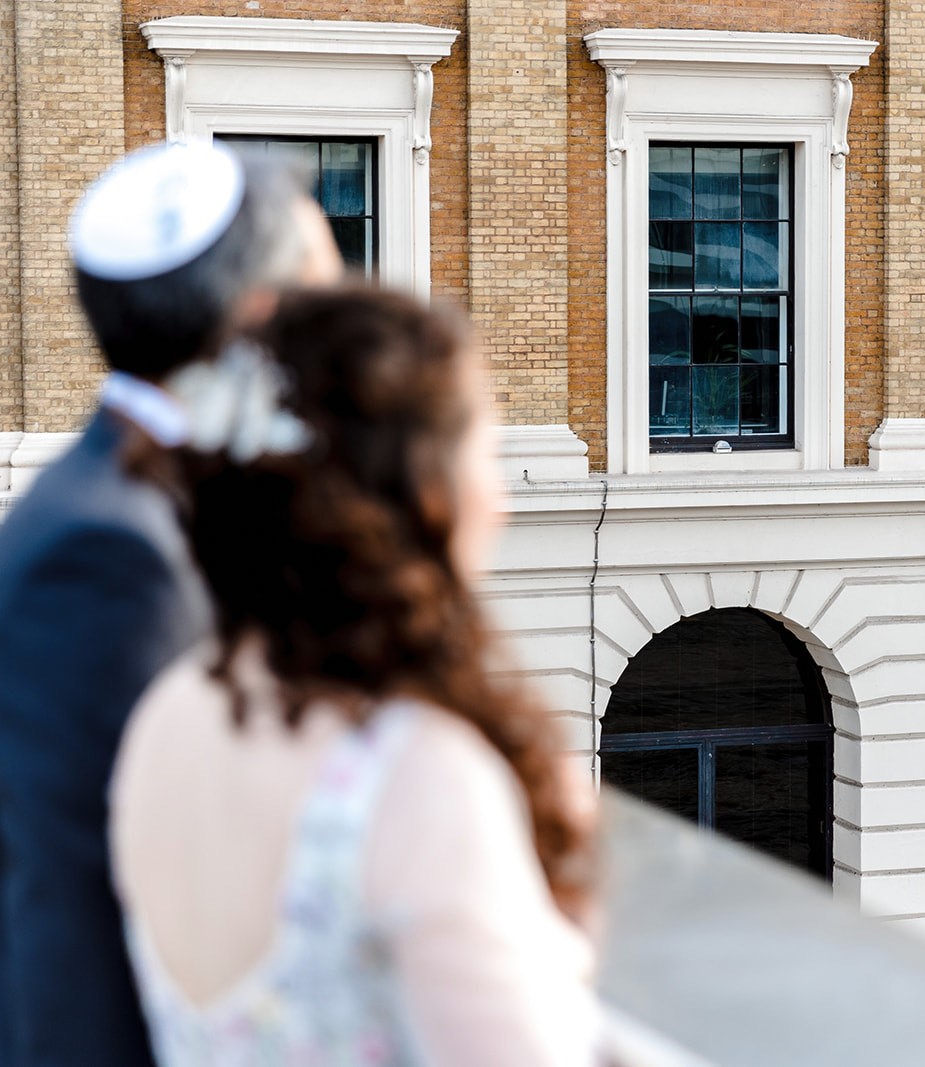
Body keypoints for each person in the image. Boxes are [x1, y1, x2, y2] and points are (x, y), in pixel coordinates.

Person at [109, 286, 600, 1064]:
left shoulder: (167, 716)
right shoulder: (414, 775)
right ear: (424, 493)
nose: (502, 500)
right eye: (488, 454)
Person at [0, 141, 341, 1067]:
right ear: (260, 318)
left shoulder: (129, 501)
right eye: (329, 300)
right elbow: (78, 907)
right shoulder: (107, 557)